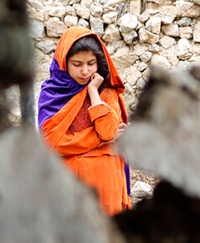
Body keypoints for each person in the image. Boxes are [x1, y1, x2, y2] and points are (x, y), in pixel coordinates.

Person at [38, 27, 131, 215]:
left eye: (91, 63)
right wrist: (100, 141)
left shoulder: (107, 92)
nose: (85, 71)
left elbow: (108, 131)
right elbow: (53, 143)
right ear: (64, 63)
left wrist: (93, 92)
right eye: (77, 64)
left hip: (106, 183)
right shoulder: (52, 95)